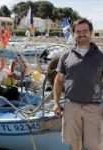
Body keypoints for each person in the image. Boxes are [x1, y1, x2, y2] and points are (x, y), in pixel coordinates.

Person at [53, 18, 103, 150]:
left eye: (85, 30)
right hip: (71, 106)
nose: (81, 34)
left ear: (91, 32)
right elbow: (58, 81)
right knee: (75, 143)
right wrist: (56, 103)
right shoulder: (65, 56)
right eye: (78, 31)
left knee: (96, 144)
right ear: (74, 34)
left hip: (94, 106)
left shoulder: (100, 56)